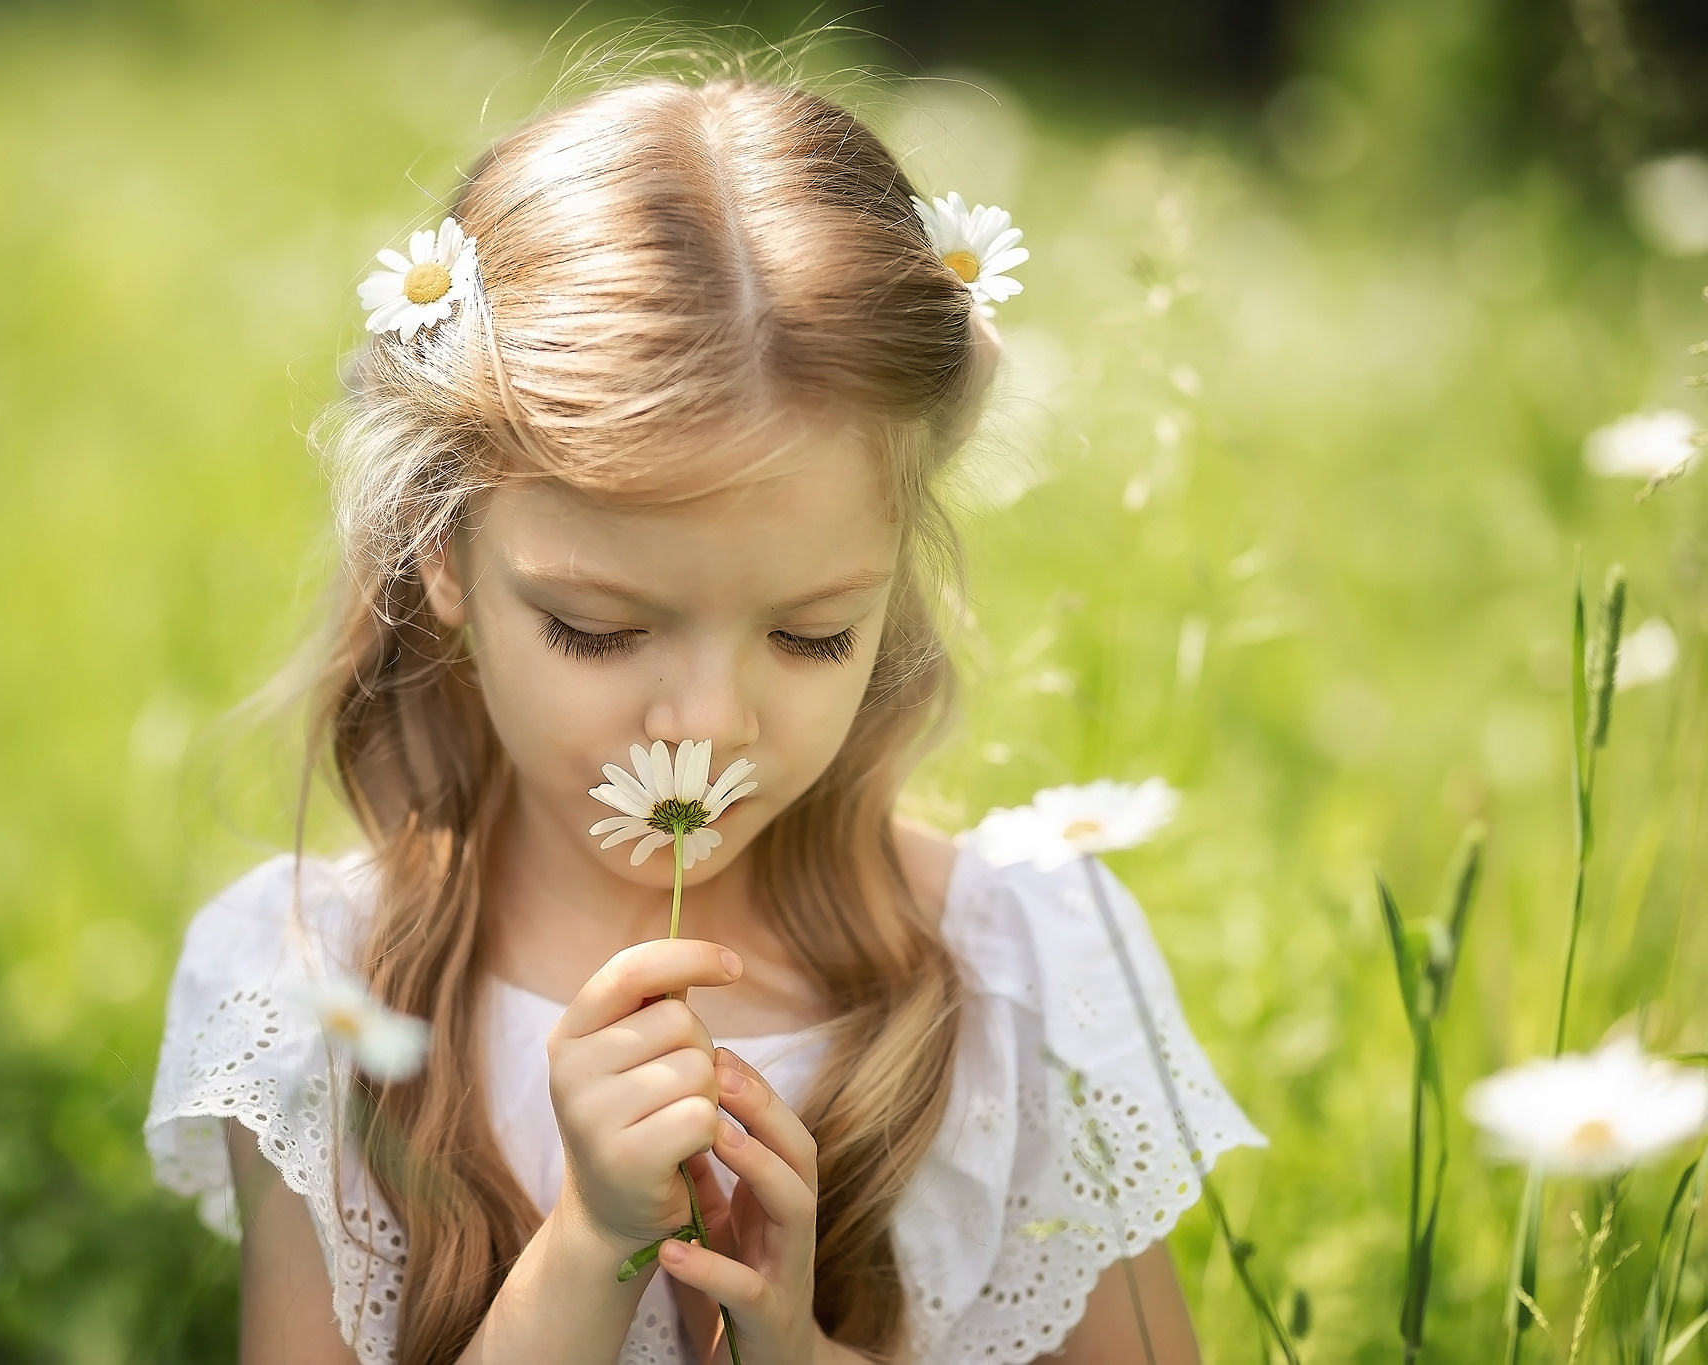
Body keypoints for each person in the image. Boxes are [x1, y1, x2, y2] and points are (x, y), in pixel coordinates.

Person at [145, 73, 1260, 1365]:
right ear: (441, 550)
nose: (710, 722)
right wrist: (589, 1251)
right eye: (599, 629)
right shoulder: (320, 995)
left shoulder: (1022, 971)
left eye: (810, 634)